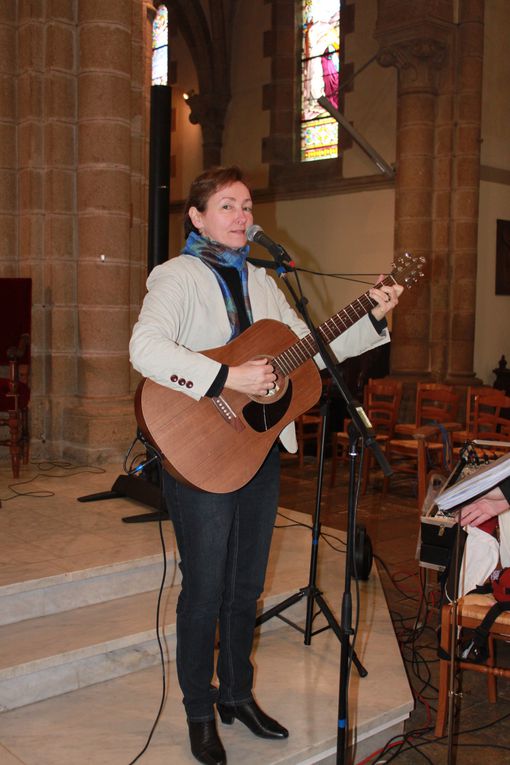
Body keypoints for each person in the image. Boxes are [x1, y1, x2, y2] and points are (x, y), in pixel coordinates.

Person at [129, 165, 403, 765]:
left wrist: (373, 315)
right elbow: (144, 349)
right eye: (227, 206)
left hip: (257, 449)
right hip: (200, 452)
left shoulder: (264, 282)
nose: (242, 217)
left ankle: (238, 696)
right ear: (197, 217)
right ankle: (200, 711)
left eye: (247, 206)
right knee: (204, 590)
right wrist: (227, 376)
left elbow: (310, 347)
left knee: (245, 587)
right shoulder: (175, 278)